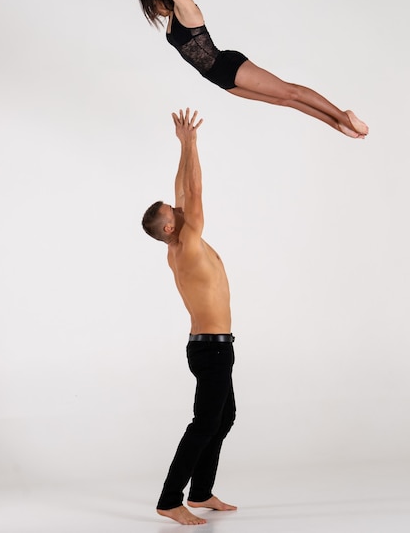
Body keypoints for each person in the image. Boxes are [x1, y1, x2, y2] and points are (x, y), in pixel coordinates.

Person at [104, 0, 369, 139]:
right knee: (283, 101)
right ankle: (336, 124)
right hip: (218, 78)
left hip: (228, 66)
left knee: (290, 91)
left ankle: (343, 114)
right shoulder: (172, 15)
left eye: (155, 5)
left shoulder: (186, 8)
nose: (156, 11)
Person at [141, 108, 237, 526]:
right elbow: (194, 194)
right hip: (210, 351)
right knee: (204, 423)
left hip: (215, 347)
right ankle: (169, 499)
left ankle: (200, 491)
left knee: (223, 418)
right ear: (168, 228)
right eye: (173, 213)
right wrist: (193, 144)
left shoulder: (179, 242)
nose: (180, 210)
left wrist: (182, 147)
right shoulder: (188, 244)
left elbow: (182, 194)